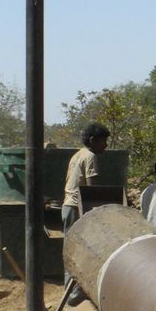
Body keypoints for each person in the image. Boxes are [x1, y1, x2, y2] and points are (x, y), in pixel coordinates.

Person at [62, 122, 110, 300]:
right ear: (93, 140)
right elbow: (92, 190)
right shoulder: (90, 156)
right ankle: (74, 294)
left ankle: (70, 292)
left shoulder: (77, 155)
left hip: (68, 205)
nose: (105, 145)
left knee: (70, 250)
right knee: (81, 252)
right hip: (76, 207)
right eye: (103, 141)